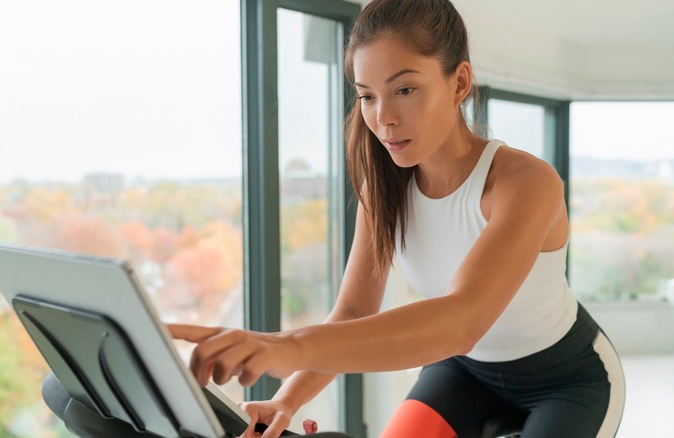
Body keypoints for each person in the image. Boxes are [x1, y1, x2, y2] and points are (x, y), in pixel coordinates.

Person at [170, 0, 626, 437]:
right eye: (367, 96)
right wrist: (287, 399)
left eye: (404, 89)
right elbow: (352, 311)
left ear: (459, 82)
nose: (383, 117)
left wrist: (284, 346)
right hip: (463, 374)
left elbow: (461, 322)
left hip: (567, 382)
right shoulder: (384, 190)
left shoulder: (525, 182)